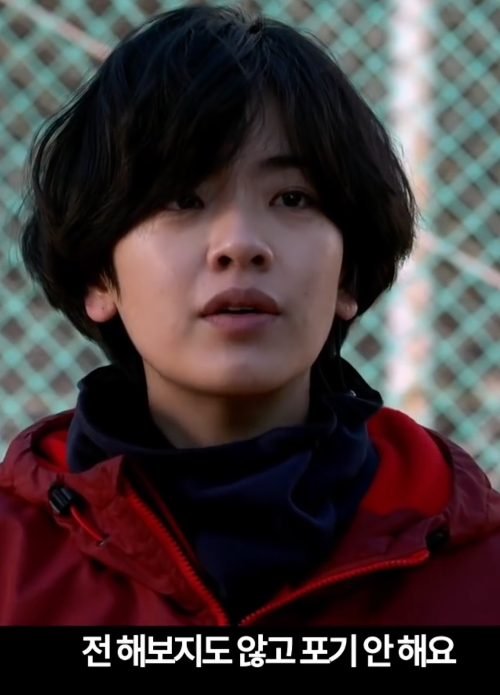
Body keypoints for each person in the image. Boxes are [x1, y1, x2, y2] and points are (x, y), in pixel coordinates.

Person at [1, 4, 499, 627]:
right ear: (99, 277)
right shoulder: (14, 562)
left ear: (347, 275)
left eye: (292, 198)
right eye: (183, 199)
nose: (239, 244)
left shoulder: (477, 569)